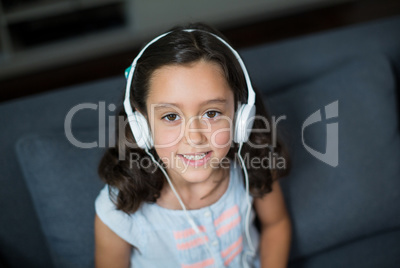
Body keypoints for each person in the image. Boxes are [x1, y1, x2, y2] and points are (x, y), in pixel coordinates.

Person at [94, 22, 292, 268]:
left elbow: (276, 225)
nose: (195, 137)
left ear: (242, 116)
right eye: (171, 116)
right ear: (140, 124)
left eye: (211, 113)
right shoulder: (117, 210)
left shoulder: (254, 164)